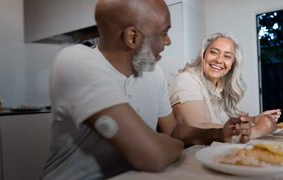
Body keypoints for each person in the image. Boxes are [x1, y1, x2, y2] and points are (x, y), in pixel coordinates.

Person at [42, 1, 250, 179]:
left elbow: (173, 131)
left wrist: (217, 133)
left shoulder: (154, 73)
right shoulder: (75, 60)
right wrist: (169, 144)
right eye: (164, 33)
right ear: (132, 37)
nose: (168, 41)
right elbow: (153, 155)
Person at [169, 32, 281, 139]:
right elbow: (198, 129)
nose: (219, 60)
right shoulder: (185, 80)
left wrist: (255, 119)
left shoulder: (219, 86)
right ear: (203, 55)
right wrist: (255, 130)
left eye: (227, 56)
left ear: (232, 64)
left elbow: (224, 123)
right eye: (214, 52)